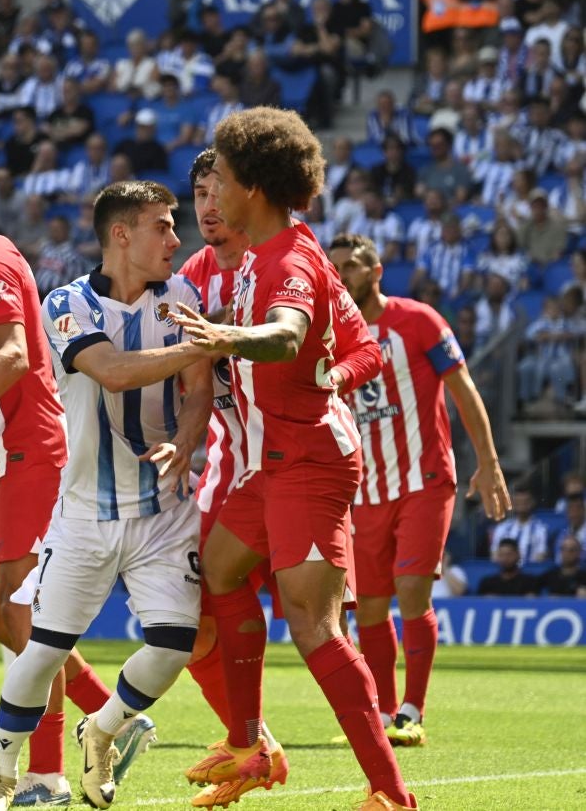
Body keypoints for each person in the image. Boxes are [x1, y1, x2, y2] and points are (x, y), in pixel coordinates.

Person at [170, 108, 415, 810]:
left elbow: (283, 336)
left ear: (252, 183)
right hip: (269, 461)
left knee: (314, 627)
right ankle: (248, 746)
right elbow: (348, 337)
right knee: (219, 568)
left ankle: (390, 793)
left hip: (307, 461)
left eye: (220, 171)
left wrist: (226, 337)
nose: (212, 186)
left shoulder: (289, 262)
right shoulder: (279, 249)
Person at [0, 141, 151, 807]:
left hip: (30, 451)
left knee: (28, 618)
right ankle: (114, 713)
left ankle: (44, 776)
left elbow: (14, 357)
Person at [0, 180, 212, 811]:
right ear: (121, 234)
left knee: (172, 646)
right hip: (82, 512)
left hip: (164, 509)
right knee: (44, 650)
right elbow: (110, 370)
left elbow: (200, 386)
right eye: (162, 226)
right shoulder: (66, 304)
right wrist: (208, 342)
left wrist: (187, 436)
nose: (175, 238)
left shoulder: (182, 295)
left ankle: (102, 729)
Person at [327, 232, 510, 749]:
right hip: (364, 487)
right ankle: (384, 715)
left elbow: (463, 389)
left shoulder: (420, 320)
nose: (341, 274)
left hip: (424, 479)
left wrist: (488, 462)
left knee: (412, 590)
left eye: (351, 266)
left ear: (376, 271)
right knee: (368, 608)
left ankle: (412, 709)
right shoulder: (333, 332)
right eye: (334, 266)